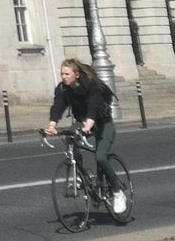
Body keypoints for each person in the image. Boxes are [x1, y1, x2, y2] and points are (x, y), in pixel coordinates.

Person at [45, 58, 126, 216]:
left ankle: (118, 192)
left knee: (101, 157)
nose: (63, 77)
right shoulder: (63, 89)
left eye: (67, 74)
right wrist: (52, 125)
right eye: (62, 74)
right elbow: (58, 106)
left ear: (76, 74)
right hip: (83, 122)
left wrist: (87, 127)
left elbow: (93, 107)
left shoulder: (91, 84)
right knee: (70, 138)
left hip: (103, 123)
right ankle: (80, 174)